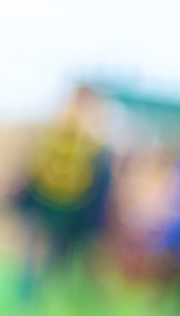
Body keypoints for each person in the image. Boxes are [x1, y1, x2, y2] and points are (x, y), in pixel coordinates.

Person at [15, 82, 114, 304]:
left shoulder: (53, 125)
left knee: (37, 247)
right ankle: (38, 293)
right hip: (70, 204)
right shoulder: (93, 135)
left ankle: (30, 293)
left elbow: (33, 162)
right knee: (55, 250)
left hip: (47, 198)